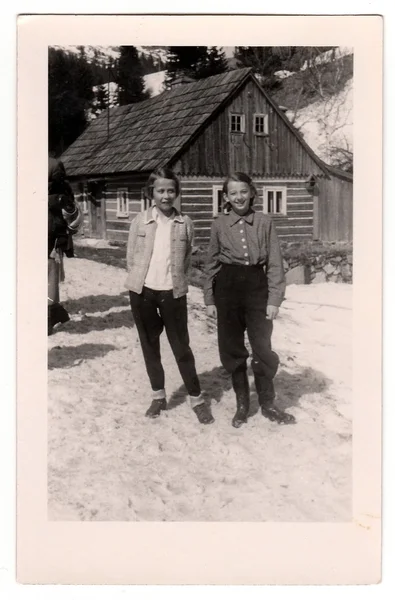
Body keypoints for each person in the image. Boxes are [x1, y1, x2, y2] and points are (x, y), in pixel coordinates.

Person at [204, 172, 296, 428]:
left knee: (262, 348)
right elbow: (210, 265)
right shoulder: (219, 224)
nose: (239, 197)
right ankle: (242, 405)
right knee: (232, 350)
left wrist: (274, 299)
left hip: (257, 289)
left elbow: (275, 263)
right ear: (226, 197)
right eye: (233, 193)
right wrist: (210, 299)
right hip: (228, 290)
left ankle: (267, 403)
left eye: (243, 191)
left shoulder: (265, 222)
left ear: (252, 192)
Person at [125, 167, 214, 425]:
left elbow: (185, 259)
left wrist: (175, 282)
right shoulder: (140, 221)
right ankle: (158, 396)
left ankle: (196, 398)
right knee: (150, 346)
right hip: (142, 293)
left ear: (177, 193)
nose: (166, 196)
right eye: (160, 190)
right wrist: (140, 282)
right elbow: (131, 257)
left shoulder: (184, 223)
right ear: (151, 192)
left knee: (181, 347)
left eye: (171, 191)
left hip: (172, 293)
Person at [48, 155, 82, 335]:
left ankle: (51, 310)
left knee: (49, 271)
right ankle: (51, 310)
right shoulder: (53, 164)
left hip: (49, 228)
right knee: (50, 272)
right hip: (51, 229)